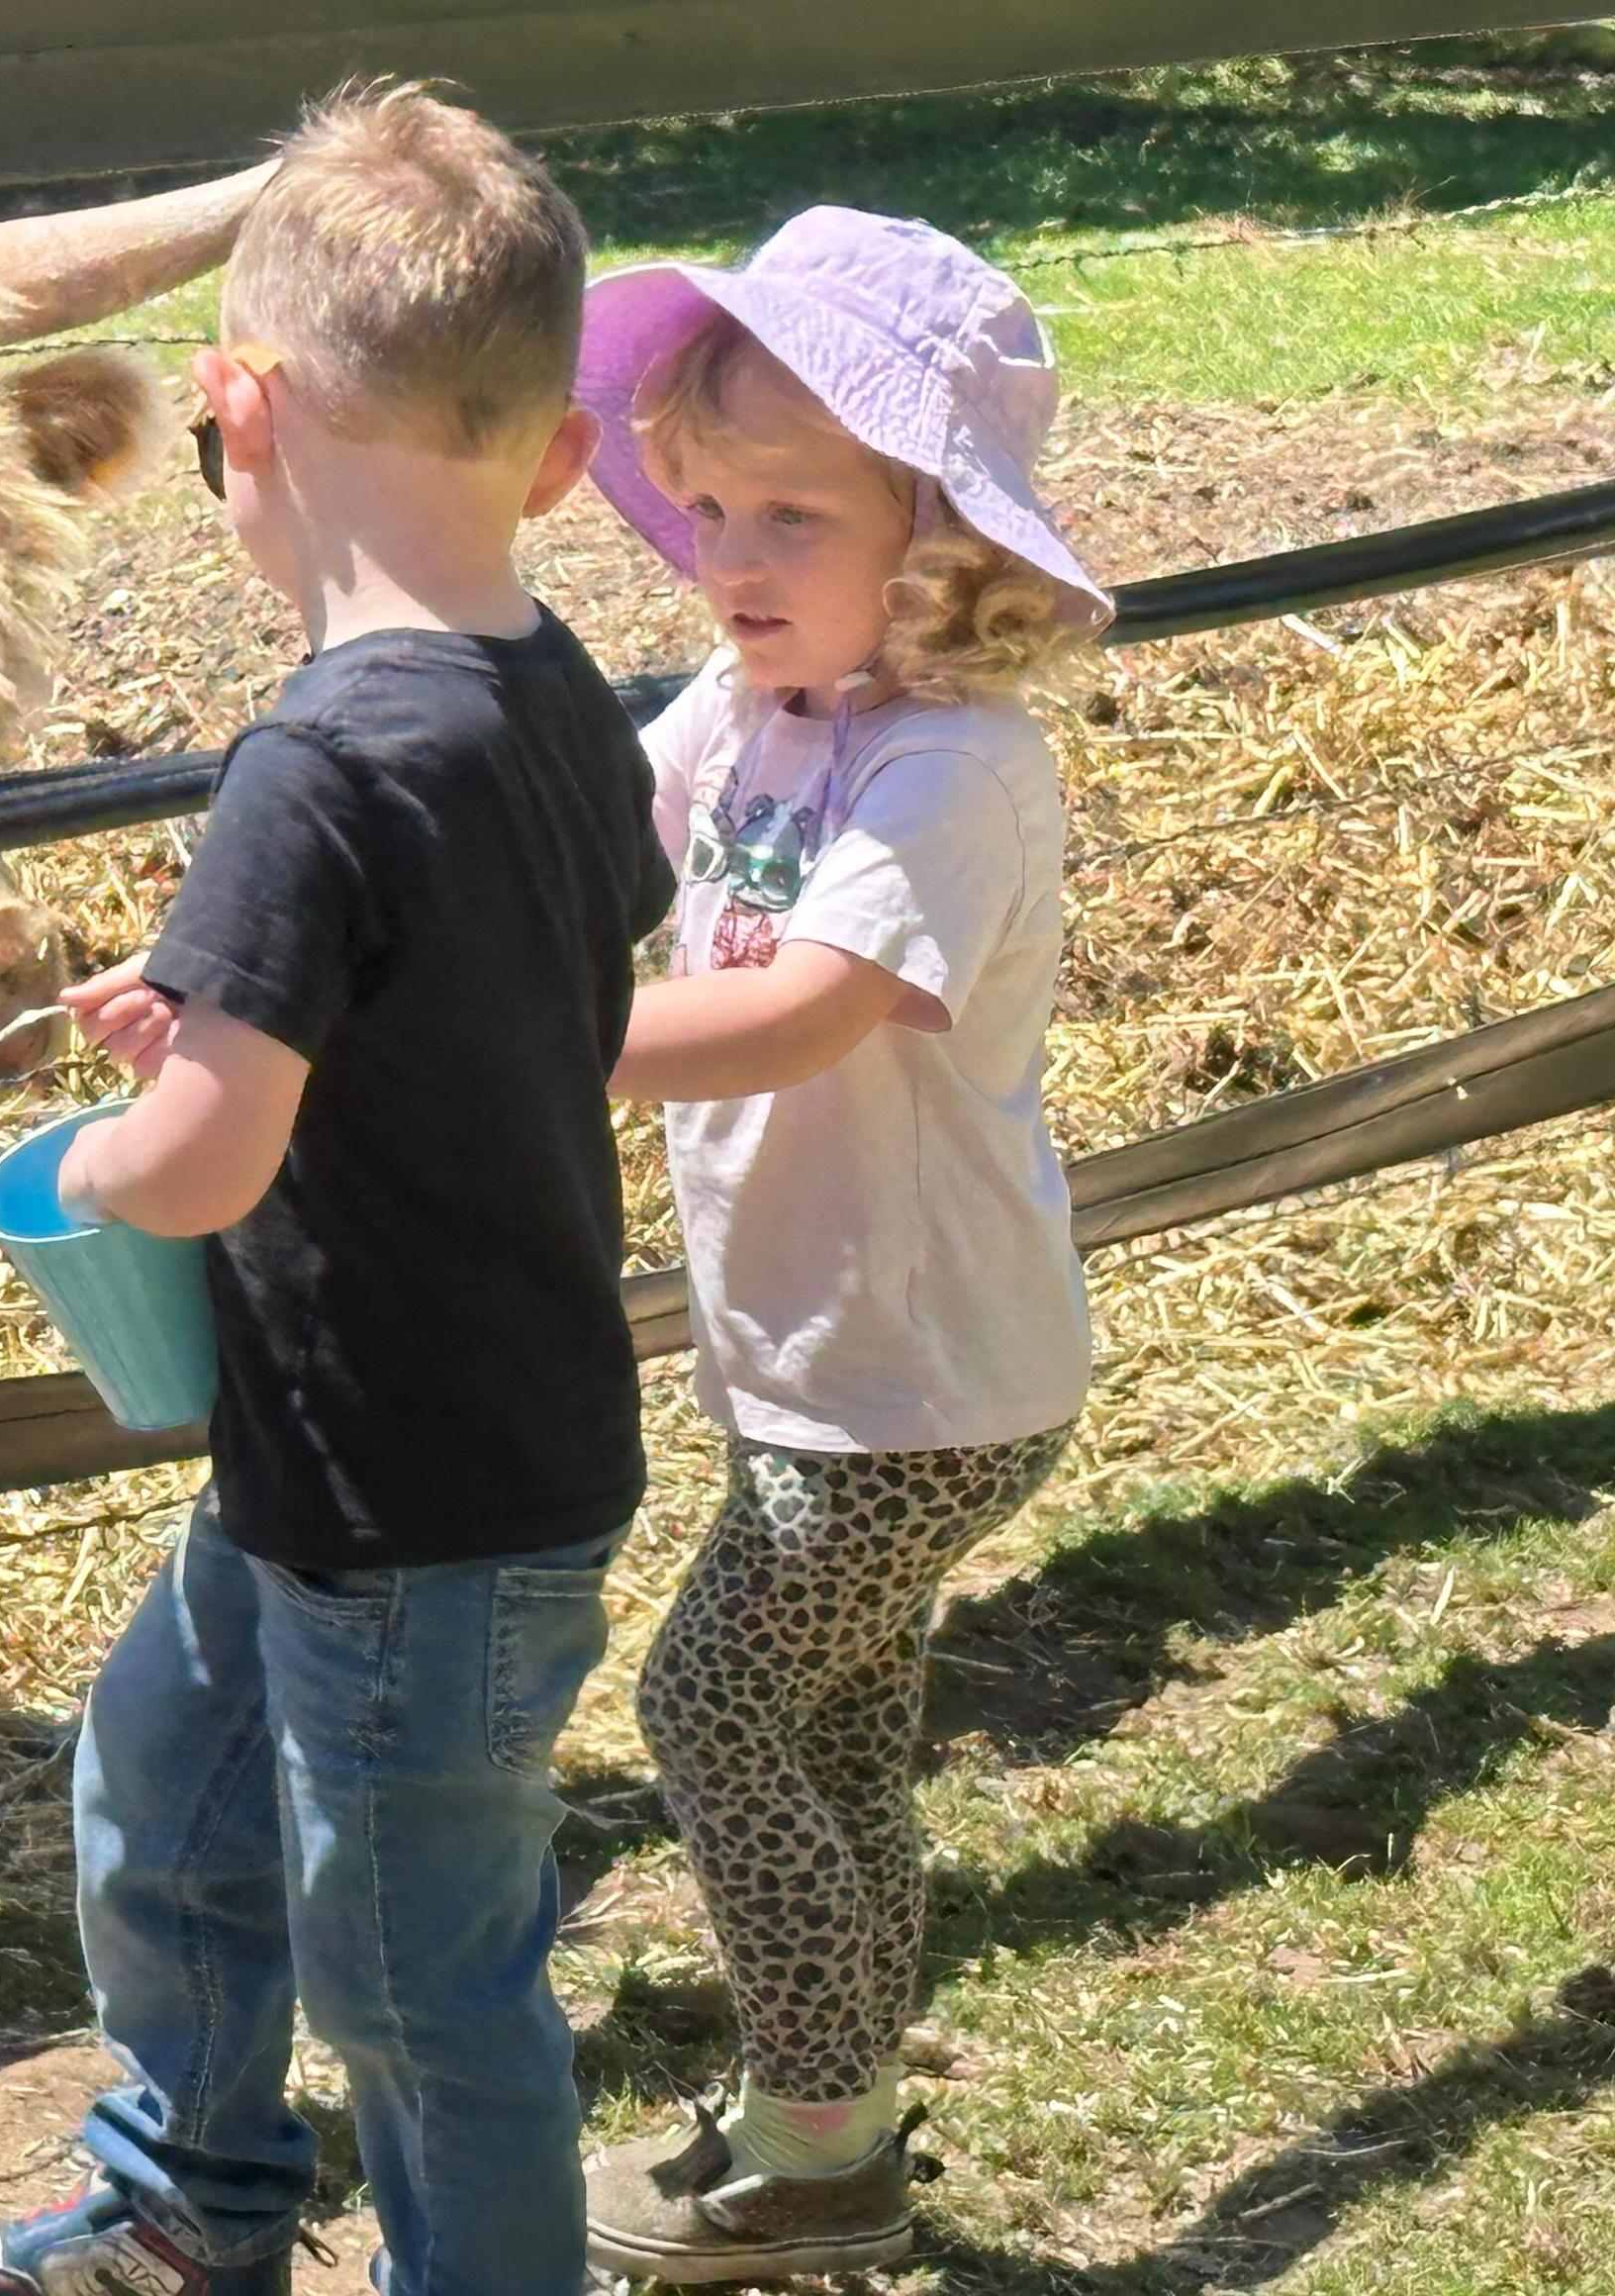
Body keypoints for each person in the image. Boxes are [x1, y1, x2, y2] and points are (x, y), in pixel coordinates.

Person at [0, 83, 673, 2296]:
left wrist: (107, 1157)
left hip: (413, 1510)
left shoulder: (311, 764)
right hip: (376, 1459)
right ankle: (186, 2206)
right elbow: (545, 978)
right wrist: (265, 1014)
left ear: (237, 410)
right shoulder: (558, 699)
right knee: (166, 1787)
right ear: (548, 458)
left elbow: (210, 1159)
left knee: (422, 1993)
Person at [571, 211, 1106, 2285]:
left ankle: (810, 2151)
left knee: (711, 1711)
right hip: (829, 1357)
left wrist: (526, 1051)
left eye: (793, 511)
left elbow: (802, 1007)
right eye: (708, 506)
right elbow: (592, 842)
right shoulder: (749, 704)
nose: (731, 556)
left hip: (919, 1379)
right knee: (840, 1735)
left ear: (947, 546)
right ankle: (838, 2105)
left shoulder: (951, 764)